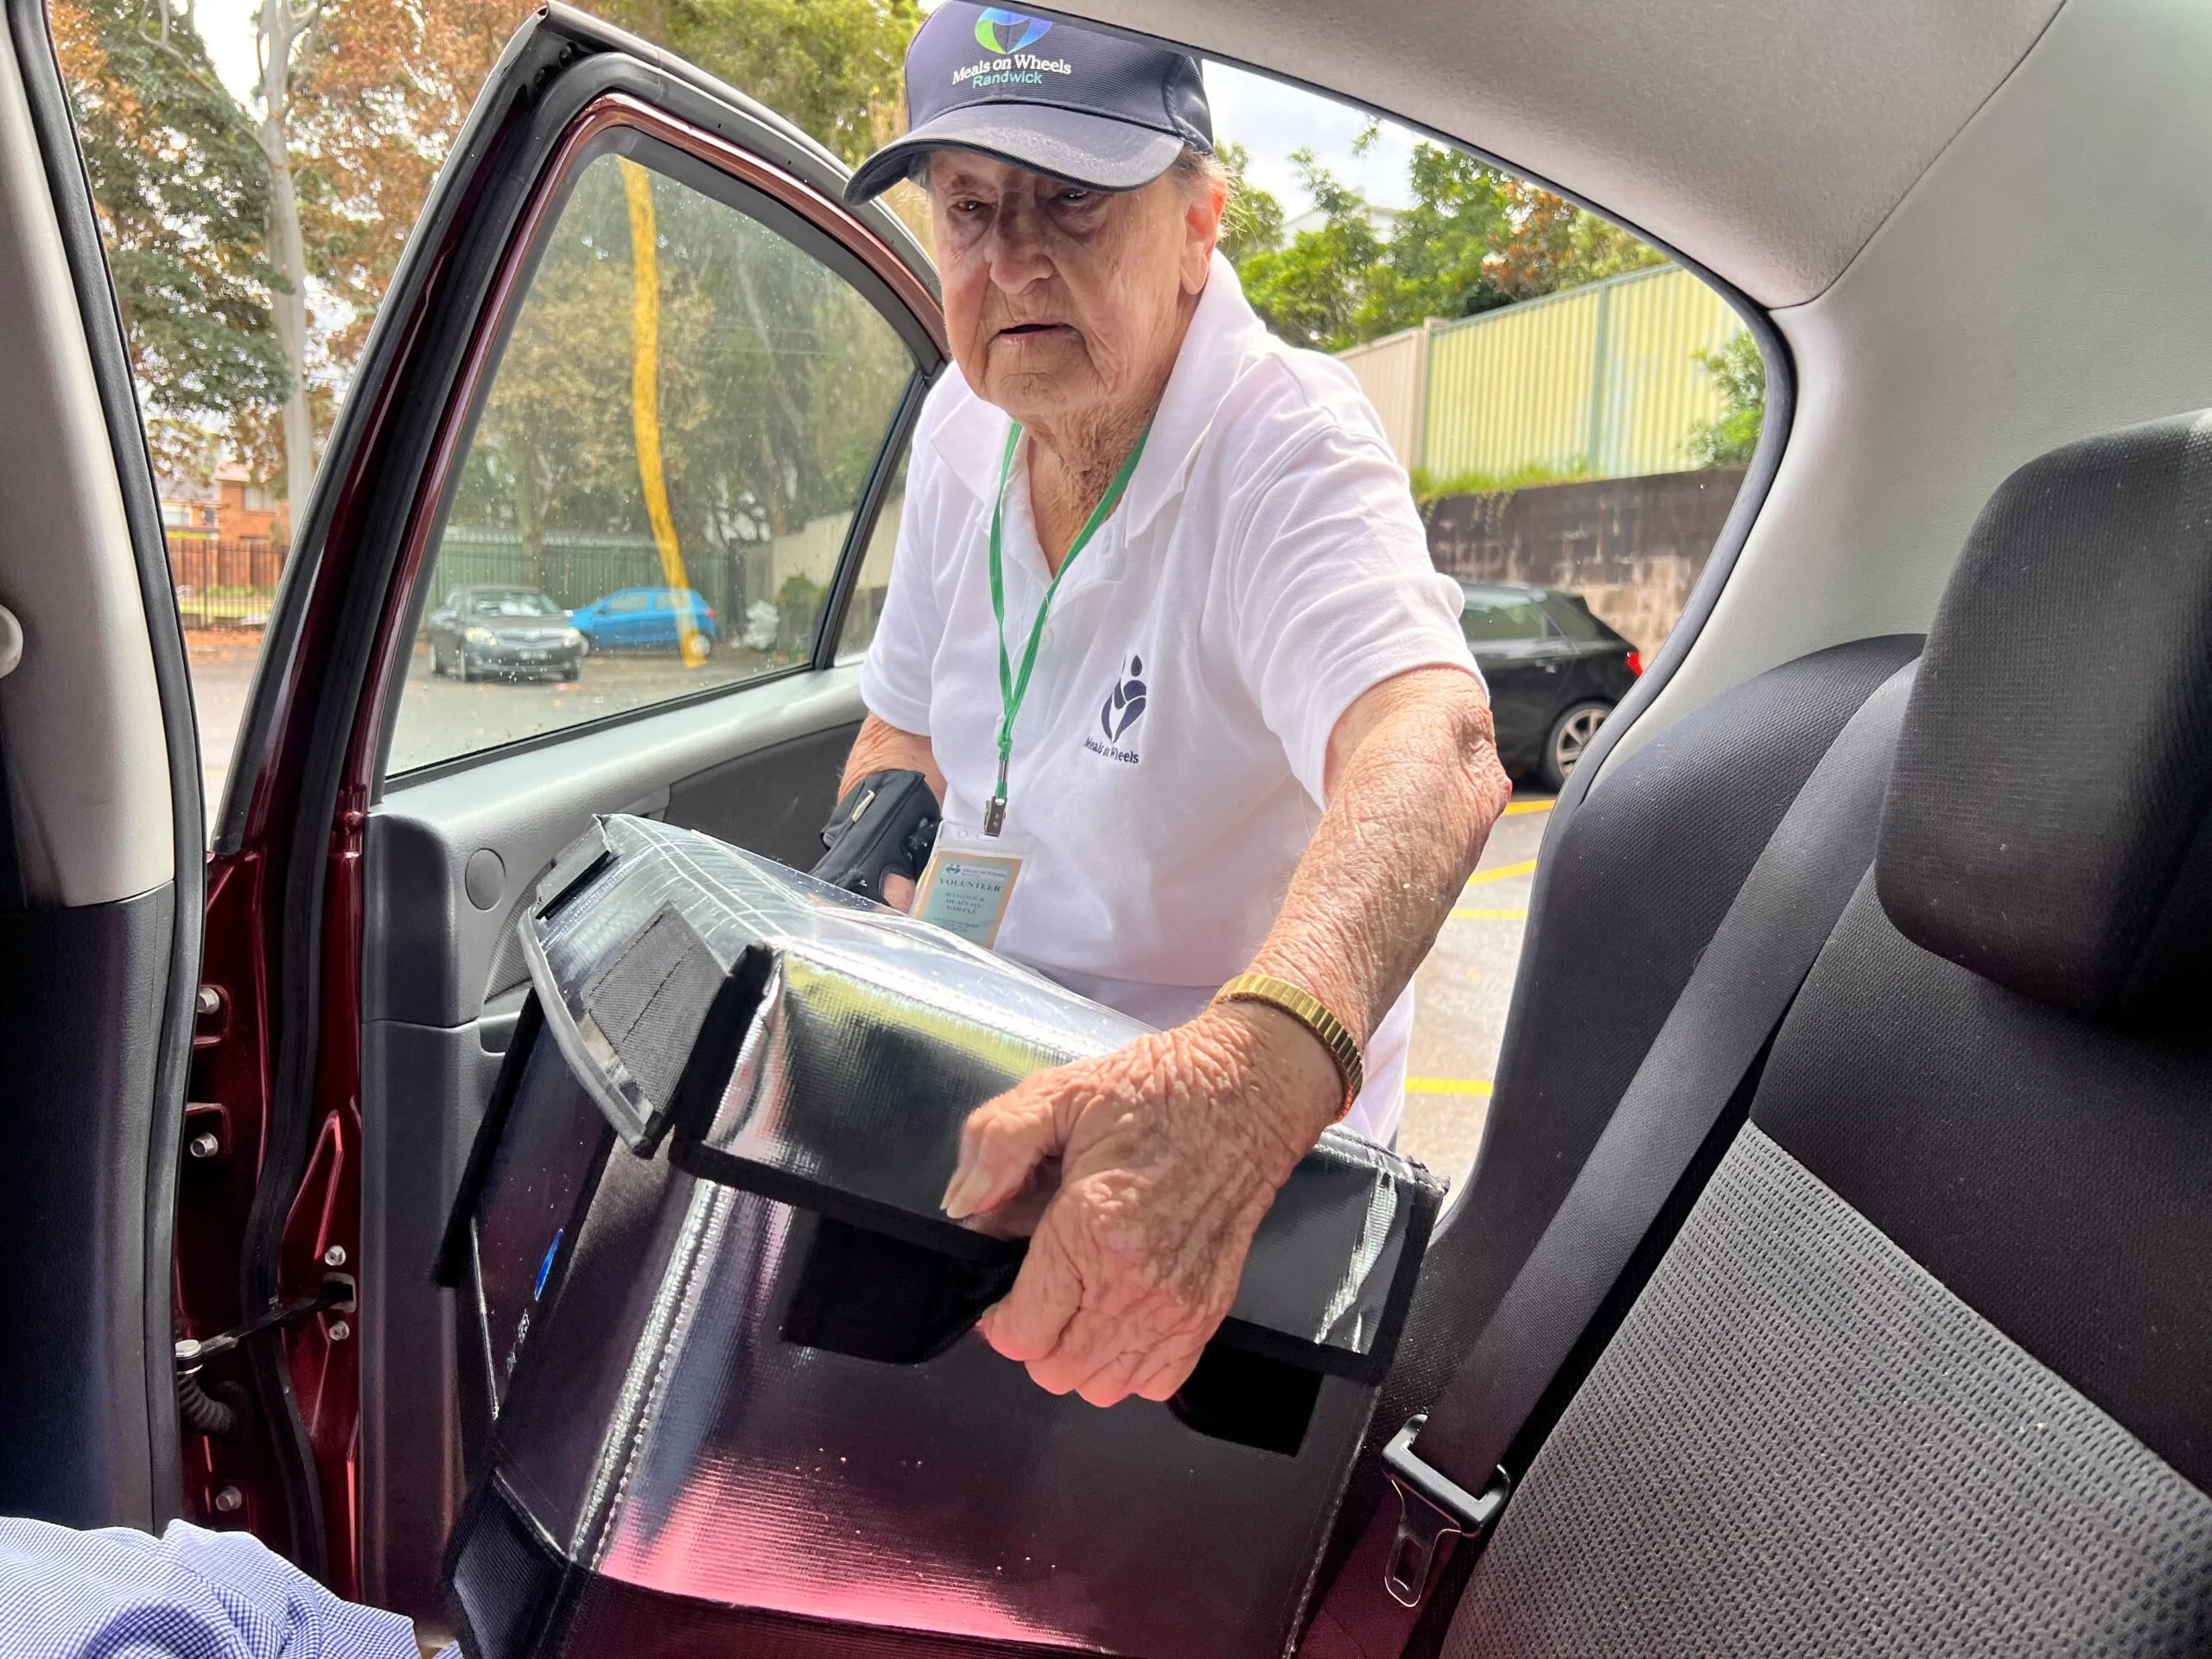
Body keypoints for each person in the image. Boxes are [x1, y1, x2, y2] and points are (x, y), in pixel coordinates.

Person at [841, 5, 1510, 1411]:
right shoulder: (966, 426)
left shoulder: (1289, 447)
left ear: (1201, 221)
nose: (1012, 260)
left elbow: (1431, 747)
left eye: (1073, 202)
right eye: (970, 209)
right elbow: (901, 732)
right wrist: (861, 932)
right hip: (984, 1103)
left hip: (1226, 1200)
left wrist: (1242, 1090)